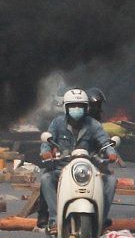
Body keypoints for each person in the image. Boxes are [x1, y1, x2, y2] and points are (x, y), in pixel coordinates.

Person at [36, 88, 121, 228]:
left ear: (86, 108)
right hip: (62, 167)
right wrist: (46, 152)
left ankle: (102, 218)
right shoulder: (57, 123)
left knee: (110, 181)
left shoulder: (94, 125)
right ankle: (54, 219)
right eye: (72, 106)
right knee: (46, 178)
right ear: (65, 108)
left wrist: (111, 153)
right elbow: (47, 141)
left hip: (89, 167)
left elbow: (105, 142)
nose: (76, 109)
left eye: (80, 106)